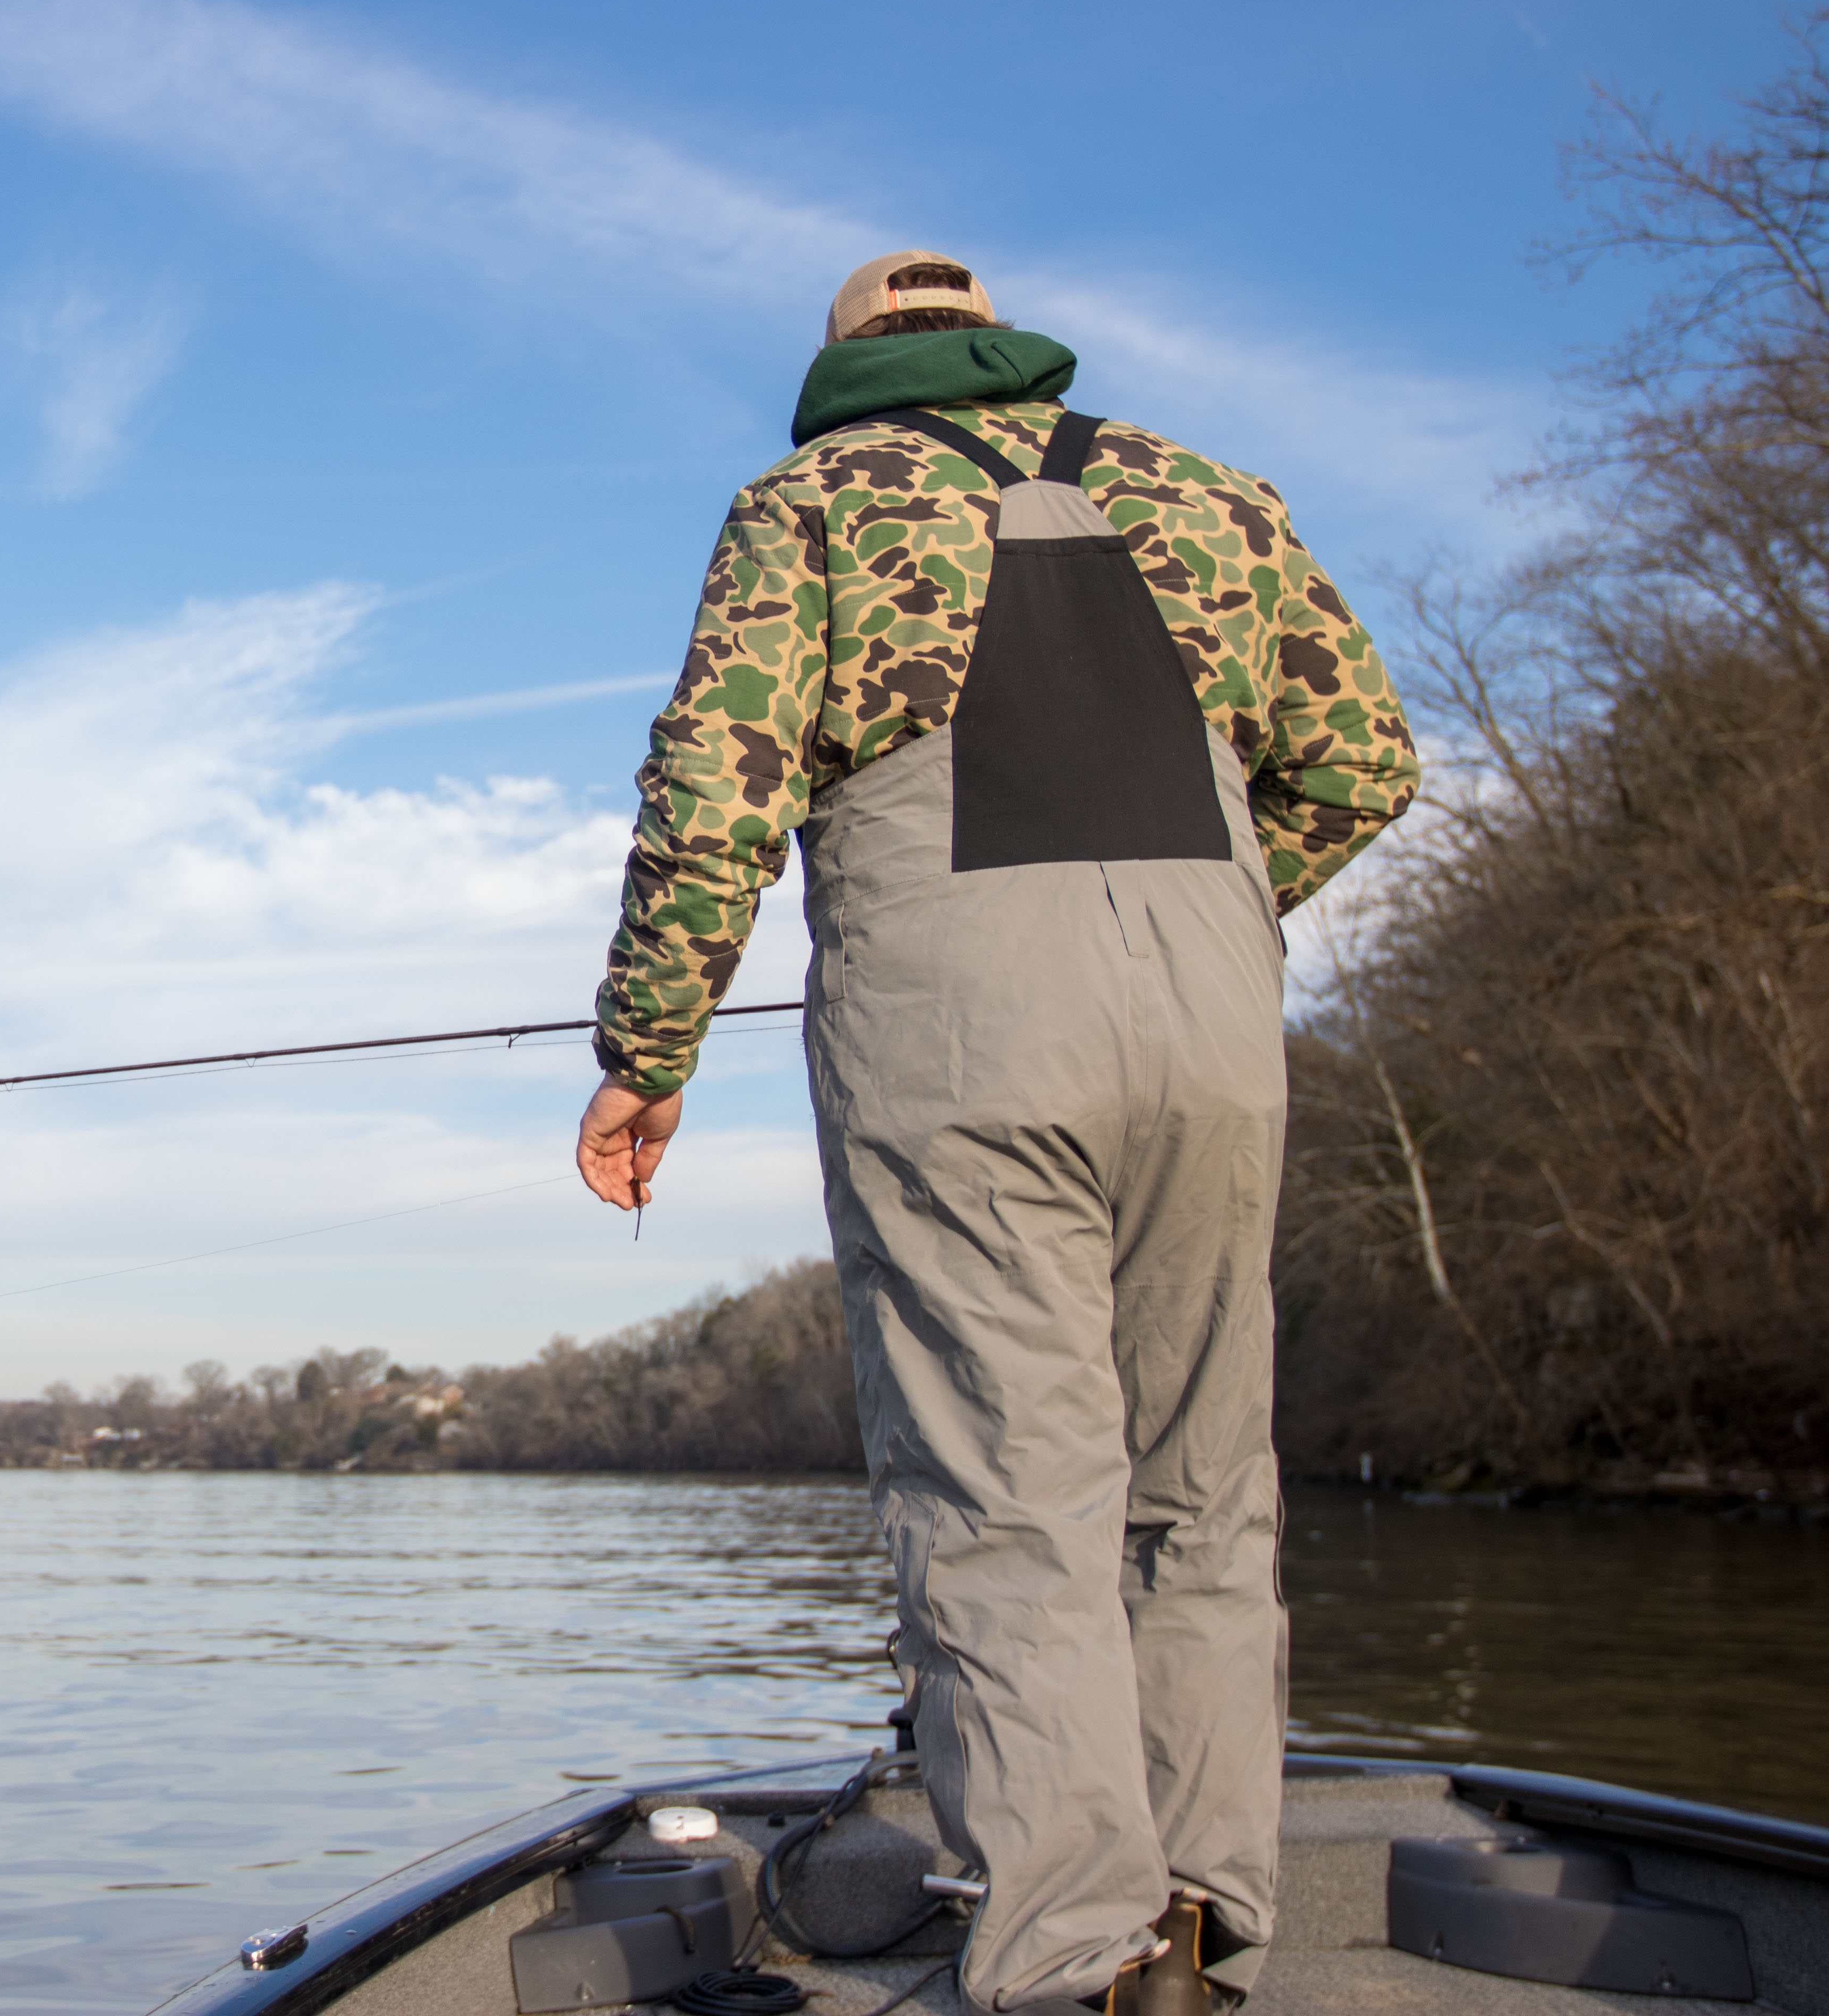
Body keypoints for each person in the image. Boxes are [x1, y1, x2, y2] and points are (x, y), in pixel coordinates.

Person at [572, 252, 1417, 2013]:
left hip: (962, 1018)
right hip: (1213, 1013)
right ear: (988, 340)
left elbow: (713, 787)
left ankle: (1076, 1961)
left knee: (1006, 1495)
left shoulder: (804, 503)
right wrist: (1228, 918)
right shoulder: (1214, 490)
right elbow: (1365, 762)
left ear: (850, 365)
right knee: (1205, 1490)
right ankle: (1192, 1933)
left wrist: (648, 1052)